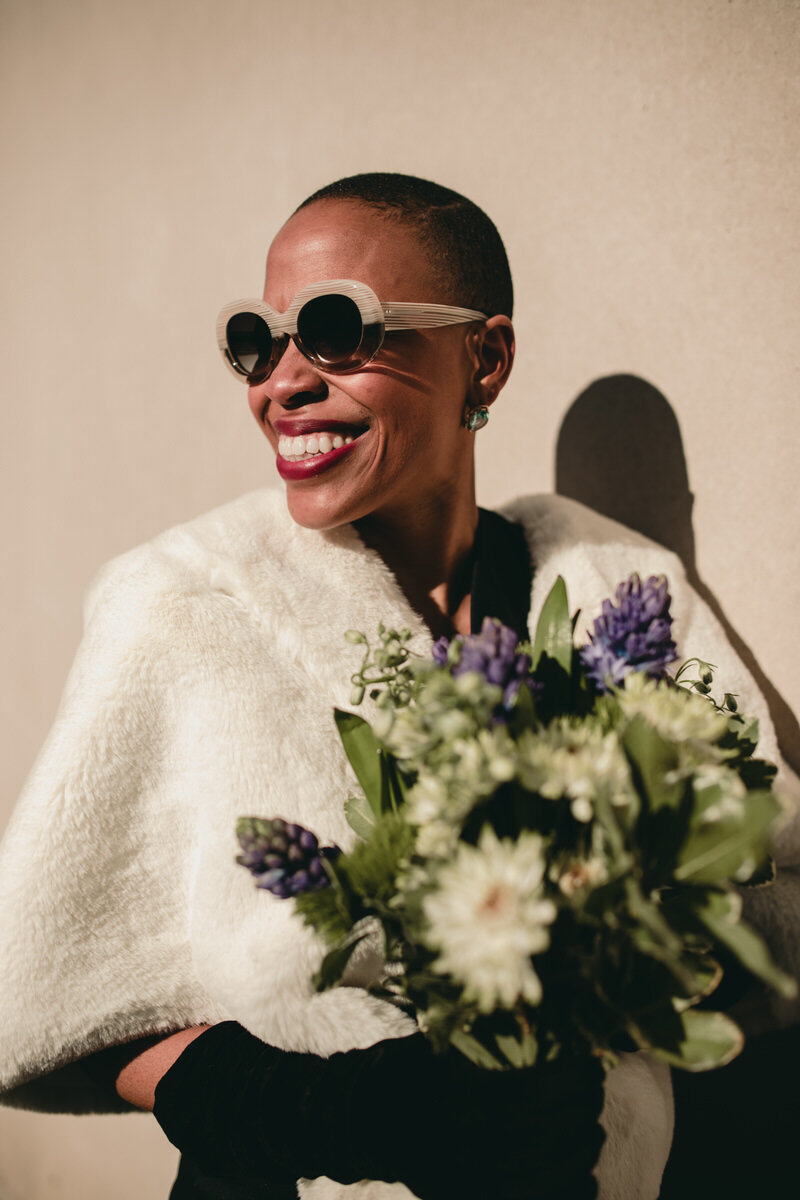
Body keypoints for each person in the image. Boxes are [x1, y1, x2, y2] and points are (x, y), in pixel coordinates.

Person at [0, 173, 796, 1200]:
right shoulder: (185, 604)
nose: (280, 381)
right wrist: (278, 1100)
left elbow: (764, 889)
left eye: (336, 329)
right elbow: (40, 988)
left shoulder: (617, 590)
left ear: (486, 356)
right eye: (257, 339)